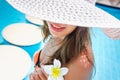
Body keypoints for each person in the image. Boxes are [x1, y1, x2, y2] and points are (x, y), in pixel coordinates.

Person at [6, 0, 120, 80]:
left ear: (83, 15)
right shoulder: (61, 34)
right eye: (54, 7)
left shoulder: (81, 64)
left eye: (70, 12)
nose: (57, 20)